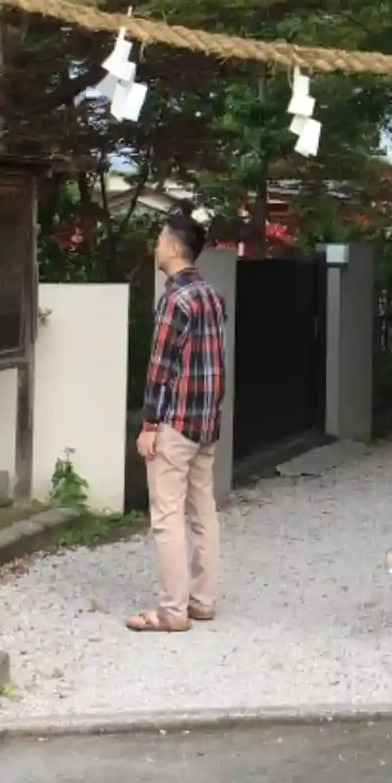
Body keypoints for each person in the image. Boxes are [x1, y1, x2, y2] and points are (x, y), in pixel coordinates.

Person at [126, 213, 229, 633]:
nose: (155, 247)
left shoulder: (175, 301)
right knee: (203, 511)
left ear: (172, 247)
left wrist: (149, 425)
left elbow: (160, 369)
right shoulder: (212, 297)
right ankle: (203, 601)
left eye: (158, 240)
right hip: (206, 423)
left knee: (167, 516)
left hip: (175, 422)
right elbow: (214, 363)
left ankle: (172, 610)